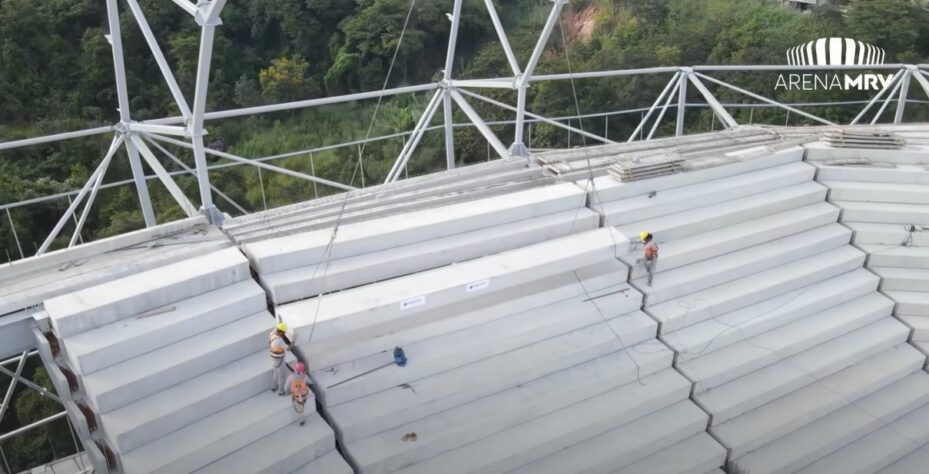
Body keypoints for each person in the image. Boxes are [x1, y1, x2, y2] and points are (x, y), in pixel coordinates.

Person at [269, 322, 291, 395]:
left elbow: (276, 328)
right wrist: (294, 341)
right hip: (280, 360)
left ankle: (273, 387)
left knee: (275, 373)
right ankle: (281, 391)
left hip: (273, 359)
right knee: (282, 376)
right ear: (281, 332)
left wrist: (280, 323)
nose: (284, 334)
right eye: (284, 332)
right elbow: (288, 348)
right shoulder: (279, 341)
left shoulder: (272, 334)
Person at [286, 362, 311, 426]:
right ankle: (303, 402)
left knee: (299, 410)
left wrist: (288, 392)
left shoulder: (291, 377)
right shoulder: (305, 377)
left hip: (297, 396)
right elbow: (310, 382)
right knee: (302, 401)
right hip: (305, 395)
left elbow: (286, 387)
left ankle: (301, 420)